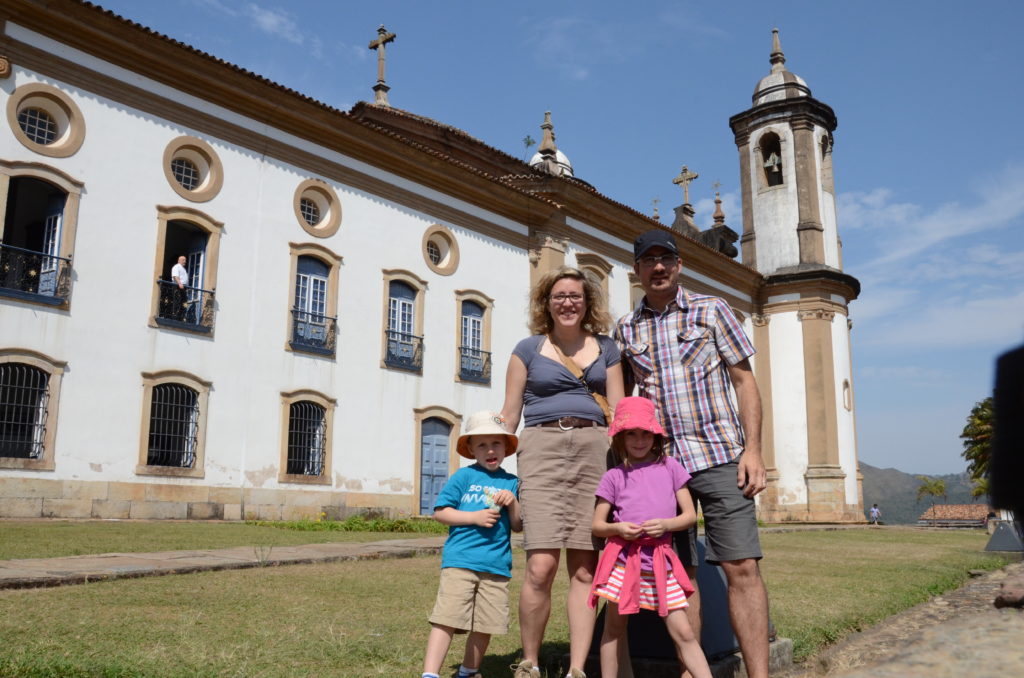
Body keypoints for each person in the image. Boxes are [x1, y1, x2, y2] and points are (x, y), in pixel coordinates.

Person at [615, 229, 770, 678]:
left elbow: (744, 381)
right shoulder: (626, 328)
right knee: (680, 573)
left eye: (665, 259)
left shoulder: (712, 310)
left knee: (741, 566)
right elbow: (625, 402)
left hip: (720, 456)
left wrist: (753, 450)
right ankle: (693, 670)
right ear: (637, 270)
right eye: (648, 260)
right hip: (663, 468)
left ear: (679, 265)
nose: (658, 267)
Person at [501, 266, 625, 678]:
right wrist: (483, 460)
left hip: (595, 450)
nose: (567, 302)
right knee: (541, 566)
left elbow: (618, 412)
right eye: (559, 296)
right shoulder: (527, 349)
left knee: (585, 568)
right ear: (547, 303)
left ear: (587, 303)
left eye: (575, 296)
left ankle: (576, 668)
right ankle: (530, 662)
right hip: (541, 448)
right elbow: (509, 414)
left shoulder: (607, 348)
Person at [590, 397, 712, 678]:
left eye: (645, 433)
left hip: (661, 561)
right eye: (631, 434)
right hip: (622, 562)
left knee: (683, 631)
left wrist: (667, 524)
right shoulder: (613, 476)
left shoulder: (671, 467)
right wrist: (618, 529)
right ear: (620, 437)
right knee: (614, 629)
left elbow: (690, 516)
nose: (639, 440)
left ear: (655, 436)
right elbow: (597, 525)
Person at [421, 411, 522, 678]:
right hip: (461, 561)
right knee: (447, 618)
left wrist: (513, 503)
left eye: (496, 443)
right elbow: (441, 512)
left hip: (496, 566)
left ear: (506, 447)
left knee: (486, 624)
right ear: (471, 449)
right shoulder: (463, 477)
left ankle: (468, 671)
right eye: (482, 445)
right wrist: (473, 517)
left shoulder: (512, 483)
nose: (490, 450)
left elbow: (518, 525)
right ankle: (430, 673)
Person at [170, 255, 189, 321]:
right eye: (183, 260)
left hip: (183, 287)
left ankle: (182, 317)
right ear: (179, 260)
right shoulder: (176, 267)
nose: (185, 261)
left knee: (184, 302)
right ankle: (175, 317)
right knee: (177, 301)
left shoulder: (183, 269)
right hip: (178, 286)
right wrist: (180, 283)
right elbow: (175, 276)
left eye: (185, 260)